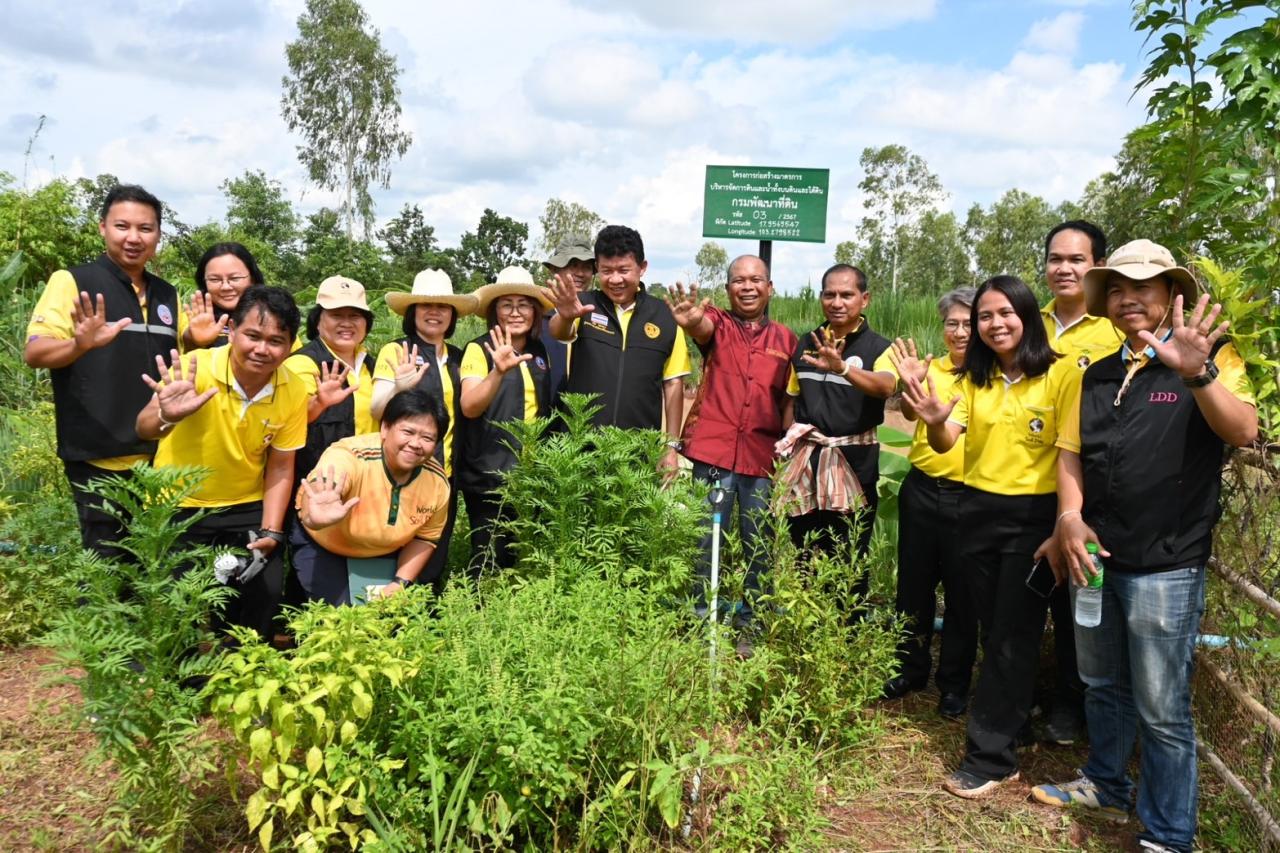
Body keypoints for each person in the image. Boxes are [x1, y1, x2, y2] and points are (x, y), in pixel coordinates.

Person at [1031, 240, 1257, 853]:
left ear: (1171, 297)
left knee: (1162, 708)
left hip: (1168, 563)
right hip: (1097, 559)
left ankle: (1167, 834)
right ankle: (1106, 782)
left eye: (1146, 288)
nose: (1130, 298)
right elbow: (1071, 453)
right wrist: (1070, 516)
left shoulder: (1208, 358)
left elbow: (1243, 430)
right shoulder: (1096, 373)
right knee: (1102, 683)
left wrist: (1197, 372)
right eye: (1119, 290)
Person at [901, 275, 1083, 799]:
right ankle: (1013, 720)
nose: (994, 324)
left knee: (1011, 633)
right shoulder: (972, 380)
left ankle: (989, 757)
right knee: (992, 626)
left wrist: (1063, 521)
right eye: (985, 316)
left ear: (1026, 316)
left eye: (1005, 313)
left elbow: (1070, 454)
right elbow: (945, 438)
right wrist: (933, 417)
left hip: (1033, 517)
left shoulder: (1061, 375)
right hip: (975, 509)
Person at [136, 286, 307, 643]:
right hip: (177, 502)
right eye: (253, 336)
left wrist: (272, 531)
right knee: (176, 599)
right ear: (232, 331)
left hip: (244, 503)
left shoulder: (292, 389)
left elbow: (280, 465)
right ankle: (183, 685)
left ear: (290, 345)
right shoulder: (196, 367)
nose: (262, 349)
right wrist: (165, 414)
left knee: (264, 590)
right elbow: (144, 426)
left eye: (276, 340)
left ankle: (243, 668)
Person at [23, 183, 179, 558]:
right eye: (122, 226)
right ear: (102, 228)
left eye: (145, 229)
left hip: (160, 458)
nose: (134, 238)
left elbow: (181, 365)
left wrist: (202, 340)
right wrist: (79, 345)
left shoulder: (167, 294)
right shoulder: (74, 281)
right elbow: (36, 352)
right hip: (98, 456)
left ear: (158, 234)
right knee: (107, 569)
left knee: (153, 566)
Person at [667, 255, 797, 632]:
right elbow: (699, 326)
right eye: (738, 280)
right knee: (706, 544)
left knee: (759, 546)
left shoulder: (786, 340)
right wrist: (691, 319)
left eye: (756, 280)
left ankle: (753, 626)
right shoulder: (718, 323)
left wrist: (787, 455)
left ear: (769, 288)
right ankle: (699, 621)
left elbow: (788, 399)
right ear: (728, 290)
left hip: (761, 460)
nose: (747, 286)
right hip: (713, 454)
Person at [1038, 220, 1122, 744]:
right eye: (1055, 258)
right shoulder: (1029, 322)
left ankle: (1073, 705)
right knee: (1031, 598)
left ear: (1097, 267)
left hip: (1085, 491)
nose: (1064, 268)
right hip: (1026, 485)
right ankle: (1028, 694)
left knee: (1080, 603)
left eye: (1077, 259)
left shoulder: (1114, 328)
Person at [881, 288, 979, 720]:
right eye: (952, 323)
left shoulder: (994, 375)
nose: (960, 332)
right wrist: (910, 385)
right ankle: (909, 669)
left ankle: (954, 684)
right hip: (922, 489)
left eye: (969, 322)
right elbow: (907, 408)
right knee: (913, 587)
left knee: (963, 593)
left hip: (971, 494)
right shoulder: (929, 369)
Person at [781, 264, 896, 602]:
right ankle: (805, 632)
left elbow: (886, 386)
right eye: (829, 294)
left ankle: (847, 634)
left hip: (854, 467)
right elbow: (792, 399)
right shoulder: (807, 342)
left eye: (847, 294)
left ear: (865, 299)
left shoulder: (879, 347)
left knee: (849, 556)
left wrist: (843, 368)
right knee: (803, 551)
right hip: (806, 466)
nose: (837, 302)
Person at [546, 225, 690, 476]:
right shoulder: (584, 305)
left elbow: (673, 383)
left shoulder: (665, 316)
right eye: (606, 271)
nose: (614, 279)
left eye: (624, 270)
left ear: (642, 267)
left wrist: (670, 446)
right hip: (581, 449)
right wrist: (566, 316)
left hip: (639, 452)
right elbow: (560, 332)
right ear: (597, 269)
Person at [294, 390, 452, 604]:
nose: (416, 443)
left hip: (385, 553)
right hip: (325, 544)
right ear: (385, 428)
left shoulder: (436, 483)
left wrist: (400, 582)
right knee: (339, 618)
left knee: (390, 620)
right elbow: (327, 482)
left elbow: (424, 538)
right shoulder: (351, 455)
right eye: (408, 431)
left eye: (427, 438)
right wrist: (316, 516)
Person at [372, 269, 477, 590]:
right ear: (412, 312)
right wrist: (398, 388)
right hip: (402, 475)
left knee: (433, 557)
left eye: (442, 306)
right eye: (425, 305)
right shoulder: (397, 351)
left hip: (445, 475)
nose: (434, 312)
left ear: (453, 315)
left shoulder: (460, 358)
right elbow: (376, 409)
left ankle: (425, 627)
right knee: (393, 554)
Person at [283, 276, 379, 604]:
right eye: (337, 315)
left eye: (355, 316)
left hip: (364, 487)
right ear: (318, 319)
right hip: (316, 489)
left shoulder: (372, 365)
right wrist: (319, 402)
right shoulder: (302, 364)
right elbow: (289, 422)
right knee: (316, 573)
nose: (347, 323)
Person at [457, 267, 554, 573]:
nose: (515, 312)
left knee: (521, 560)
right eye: (506, 304)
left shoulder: (539, 352)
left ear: (535, 311)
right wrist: (498, 371)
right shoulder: (478, 348)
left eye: (523, 304)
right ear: (494, 311)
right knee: (489, 559)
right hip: (490, 478)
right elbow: (469, 406)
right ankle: (477, 614)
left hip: (529, 478)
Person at [181, 242, 265, 351]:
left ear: (253, 279)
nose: (225, 287)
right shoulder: (191, 318)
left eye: (235, 278)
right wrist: (193, 340)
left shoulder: (273, 317)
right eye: (214, 279)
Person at [541, 236, 595, 399]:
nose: (580, 273)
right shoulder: (536, 316)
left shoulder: (601, 316)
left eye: (586, 267)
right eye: (572, 265)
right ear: (553, 269)